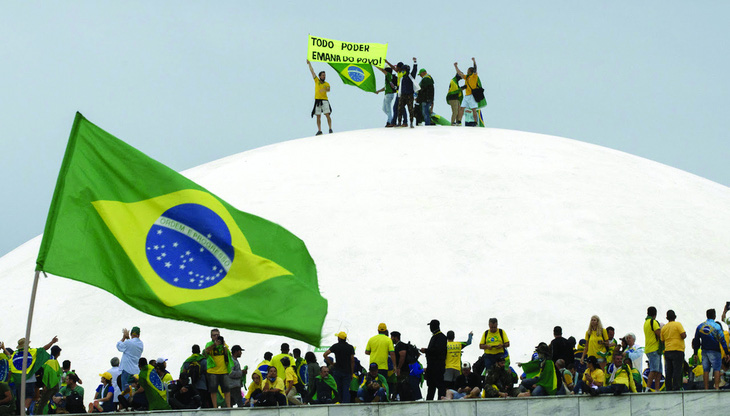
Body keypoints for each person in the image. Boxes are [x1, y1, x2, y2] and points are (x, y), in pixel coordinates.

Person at [693, 308, 729, 390]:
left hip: (704, 351)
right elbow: (722, 340)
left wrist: (695, 353)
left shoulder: (700, 326)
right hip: (715, 351)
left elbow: (696, 341)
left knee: (706, 370)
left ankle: (706, 388)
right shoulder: (717, 326)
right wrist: (727, 353)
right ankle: (716, 387)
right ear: (714, 316)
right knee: (716, 369)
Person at [386, 58, 419, 128]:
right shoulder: (402, 77)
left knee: (409, 109)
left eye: (404, 70)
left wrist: (415, 62)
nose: (403, 71)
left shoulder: (409, 76)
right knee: (399, 108)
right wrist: (396, 89)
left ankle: (408, 122)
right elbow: (400, 86)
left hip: (409, 95)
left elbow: (415, 70)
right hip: (402, 94)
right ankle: (399, 122)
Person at [323, 332, 355, 403]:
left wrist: (331, 363)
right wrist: (352, 373)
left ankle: (338, 403)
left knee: (338, 389)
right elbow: (352, 361)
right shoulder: (350, 347)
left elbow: (325, 354)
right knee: (346, 389)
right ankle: (346, 405)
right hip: (347, 371)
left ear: (339, 338)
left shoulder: (335, 346)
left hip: (337, 371)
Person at [204, 331, 233, 407]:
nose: (216, 337)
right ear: (211, 336)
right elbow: (205, 352)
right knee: (213, 390)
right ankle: (215, 407)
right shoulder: (209, 344)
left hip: (224, 370)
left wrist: (223, 345)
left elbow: (228, 355)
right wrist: (214, 345)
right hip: (213, 371)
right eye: (214, 335)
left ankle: (228, 406)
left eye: (217, 335)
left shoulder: (224, 345)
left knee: (226, 389)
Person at [420, 319, 447, 400]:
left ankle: (440, 401)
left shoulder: (441, 337)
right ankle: (429, 401)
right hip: (431, 367)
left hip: (438, 366)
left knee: (439, 385)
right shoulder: (434, 336)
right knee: (431, 387)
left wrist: (426, 351)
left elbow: (437, 351)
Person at [661, 309, 686, 391]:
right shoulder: (678, 324)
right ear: (675, 317)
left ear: (667, 318)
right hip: (678, 350)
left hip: (668, 351)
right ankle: (676, 387)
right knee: (677, 370)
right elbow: (683, 335)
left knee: (669, 371)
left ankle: (668, 387)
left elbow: (662, 340)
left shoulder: (664, 328)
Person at [306, 59, 332, 135]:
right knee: (318, 116)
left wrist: (323, 90)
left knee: (327, 114)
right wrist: (309, 64)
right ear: (320, 76)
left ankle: (330, 128)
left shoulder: (326, 83)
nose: (324, 76)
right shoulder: (317, 81)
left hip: (324, 100)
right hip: (317, 100)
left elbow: (328, 89)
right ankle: (319, 130)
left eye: (325, 75)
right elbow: (312, 72)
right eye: (323, 75)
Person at [116, 326, 143, 397]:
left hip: (127, 370)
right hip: (136, 371)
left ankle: (127, 404)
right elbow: (131, 345)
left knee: (126, 391)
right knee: (134, 390)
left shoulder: (128, 342)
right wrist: (128, 339)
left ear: (131, 334)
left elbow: (119, 346)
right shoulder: (141, 344)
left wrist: (124, 337)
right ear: (139, 335)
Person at [454, 58, 480, 126]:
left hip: (472, 96)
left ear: (470, 71)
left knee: (473, 109)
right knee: (462, 108)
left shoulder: (474, 76)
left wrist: (474, 61)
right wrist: (456, 67)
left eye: (468, 70)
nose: (467, 71)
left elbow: (475, 68)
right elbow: (460, 74)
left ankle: (475, 122)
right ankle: (459, 121)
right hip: (466, 96)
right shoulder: (467, 77)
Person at [643, 306, 663, 392]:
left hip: (649, 349)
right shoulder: (653, 322)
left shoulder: (646, 322)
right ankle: (647, 388)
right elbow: (659, 334)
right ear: (655, 314)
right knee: (654, 370)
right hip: (654, 349)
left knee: (658, 371)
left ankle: (657, 389)